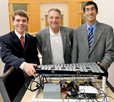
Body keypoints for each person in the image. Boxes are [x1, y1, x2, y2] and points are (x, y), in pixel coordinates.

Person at [0, 10, 40, 101]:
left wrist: (38, 73)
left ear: (27, 22)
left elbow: (35, 57)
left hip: (30, 79)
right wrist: (24, 65)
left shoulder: (32, 39)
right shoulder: (5, 39)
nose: (21, 23)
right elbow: (6, 56)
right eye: (18, 20)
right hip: (12, 80)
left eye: (23, 20)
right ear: (13, 22)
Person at [72, 1, 114, 70]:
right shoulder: (77, 31)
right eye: (87, 10)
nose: (90, 12)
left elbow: (110, 52)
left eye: (92, 9)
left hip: (100, 72)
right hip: (81, 71)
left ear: (97, 12)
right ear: (84, 13)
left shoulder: (107, 30)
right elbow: (74, 54)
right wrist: (74, 70)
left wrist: (102, 66)